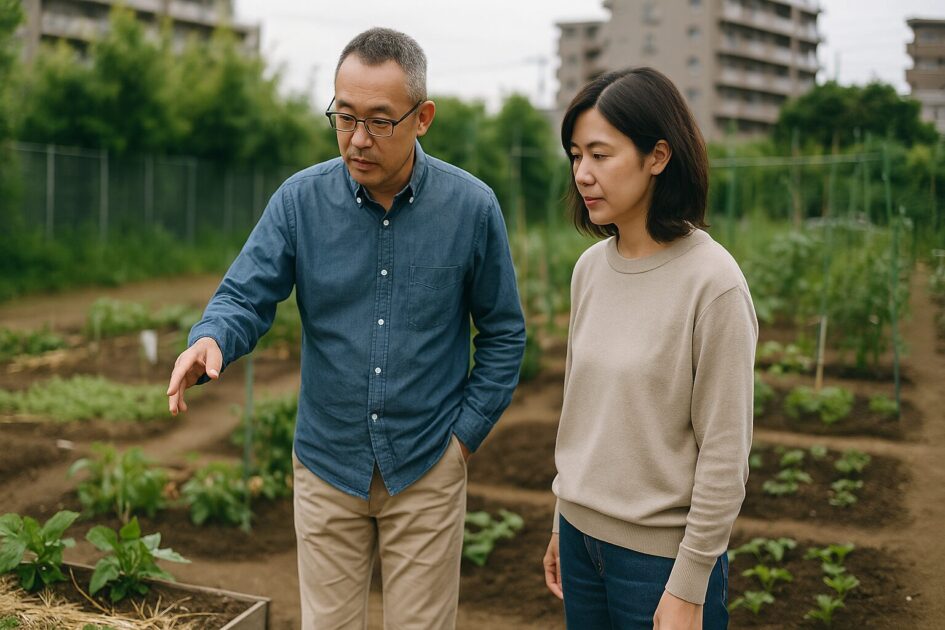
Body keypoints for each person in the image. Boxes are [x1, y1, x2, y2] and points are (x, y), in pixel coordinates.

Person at [166, 27, 526, 629]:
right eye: (344, 116)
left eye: (379, 121)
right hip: (327, 464)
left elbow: (504, 332)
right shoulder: (299, 202)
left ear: (423, 117)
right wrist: (212, 337)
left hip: (426, 464)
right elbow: (246, 293)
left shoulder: (471, 208)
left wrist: (462, 440)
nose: (357, 139)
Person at [541, 67, 757, 630]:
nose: (582, 174)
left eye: (600, 155)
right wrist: (562, 520)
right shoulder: (590, 270)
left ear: (657, 156)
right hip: (580, 542)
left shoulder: (714, 284)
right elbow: (583, 414)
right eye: (574, 156)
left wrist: (689, 586)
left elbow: (724, 456)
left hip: (659, 560)